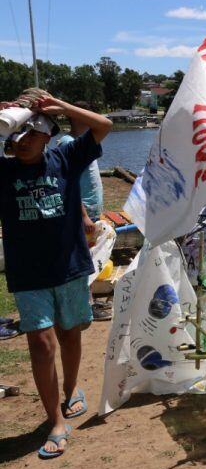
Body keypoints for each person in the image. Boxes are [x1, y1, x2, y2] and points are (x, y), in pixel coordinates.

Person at [0, 94, 113, 458]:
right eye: (15, 136)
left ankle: (71, 389)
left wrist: (60, 106)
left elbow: (103, 125)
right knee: (41, 344)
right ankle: (56, 421)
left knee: (69, 334)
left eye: (30, 133)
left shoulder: (66, 157)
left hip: (68, 268)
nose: (21, 141)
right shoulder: (4, 171)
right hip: (28, 275)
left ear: (49, 135)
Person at [58, 101, 109, 321]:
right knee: (85, 259)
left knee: (90, 257)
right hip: (82, 213)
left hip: (91, 211)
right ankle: (85, 308)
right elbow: (69, 183)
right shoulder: (68, 143)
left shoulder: (84, 142)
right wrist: (84, 215)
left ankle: (86, 303)